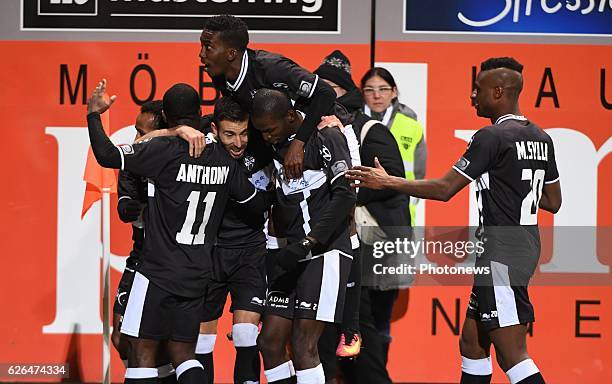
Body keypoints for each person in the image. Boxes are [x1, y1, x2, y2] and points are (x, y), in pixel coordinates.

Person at [347, 57, 562, 384]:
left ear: (499, 91)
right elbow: (553, 201)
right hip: (522, 247)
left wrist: (389, 181)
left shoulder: (491, 137)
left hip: (501, 255)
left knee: (513, 355)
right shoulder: (539, 137)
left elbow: (445, 188)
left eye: (478, 90)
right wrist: (505, 184)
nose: (472, 97)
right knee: (472, 345)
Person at [87, 80, 271, 384]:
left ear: (166, 118)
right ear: (199, 114)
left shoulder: (164, 150)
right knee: (184, 355)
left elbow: (107, 155)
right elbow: (256, 203)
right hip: (199, 272)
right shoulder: (225, 160)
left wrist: (94, 115)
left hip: (158, 270)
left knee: (142, 354)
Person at [251, 89, 356, 384]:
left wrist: (309, 242)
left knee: (303, 344)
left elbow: (346, 197)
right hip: (290, 255)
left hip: (325, 253)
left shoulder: (327, 137)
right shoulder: (269, 143)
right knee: (269, 342)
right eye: (261, 131)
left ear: (290, 116)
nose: (266, 136)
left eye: (270, 129)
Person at [200, 14, 337, 180]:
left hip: (315, 133)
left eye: (208, 47)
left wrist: (298, 143)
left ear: (231, 54)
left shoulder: (271, 68)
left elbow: (326, 93)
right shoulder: (219, 76)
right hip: (273, 142)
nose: (201, 54)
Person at [194, 97, 272, 384]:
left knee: (245, 334)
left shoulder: (264, 146)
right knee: (201, 342)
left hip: (251, 252)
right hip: (210, 253)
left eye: (243, 133)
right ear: (214, 129)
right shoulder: (200, 147)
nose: (238, 142)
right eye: (229, 134)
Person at [112, 100, 179, 383]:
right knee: (120, 338)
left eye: (144, 133)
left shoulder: (181, 162)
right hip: (141, 254)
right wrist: (134, 207)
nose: (137, 139)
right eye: (137, 132)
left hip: (172, 261)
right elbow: (125, 202)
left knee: (155, 345)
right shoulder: (135, 159)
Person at [361, 67, 427, 225]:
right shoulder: (355, 123)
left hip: (400, 208)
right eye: (369, 90)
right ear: (362, 93)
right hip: (364, 209)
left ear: (394, 92)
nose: (377, 96)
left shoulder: (412, 126)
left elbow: (419, 172)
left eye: (383, 89)